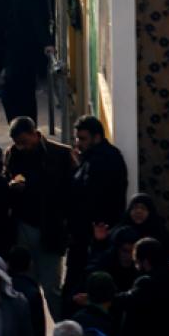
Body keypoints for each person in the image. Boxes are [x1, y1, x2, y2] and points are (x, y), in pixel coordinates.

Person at [3, 117, 72, 317]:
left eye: (25, 141)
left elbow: (69, 193)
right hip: (24, 227)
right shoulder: (13, 155)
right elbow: (6, 181)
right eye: (18, 143)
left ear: (35, 134)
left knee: (52, 288)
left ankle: (63, 334)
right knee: (27, 288)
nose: (22, 147)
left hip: (51, 228)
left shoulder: (60, 154)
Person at [68, 117, 128, 291]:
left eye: (83, 139)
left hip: (95, 235)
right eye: (77, 139)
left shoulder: (103, 161)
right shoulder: (94, 158)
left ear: (97, 137)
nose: (78, 143)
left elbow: (93, 197)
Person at [1, 0, 50, 122]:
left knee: (15, 93)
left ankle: (22, 126)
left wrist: (45, 42)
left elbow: (35, 20)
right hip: (27, 50)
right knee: (24, 93)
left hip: (22, 51)